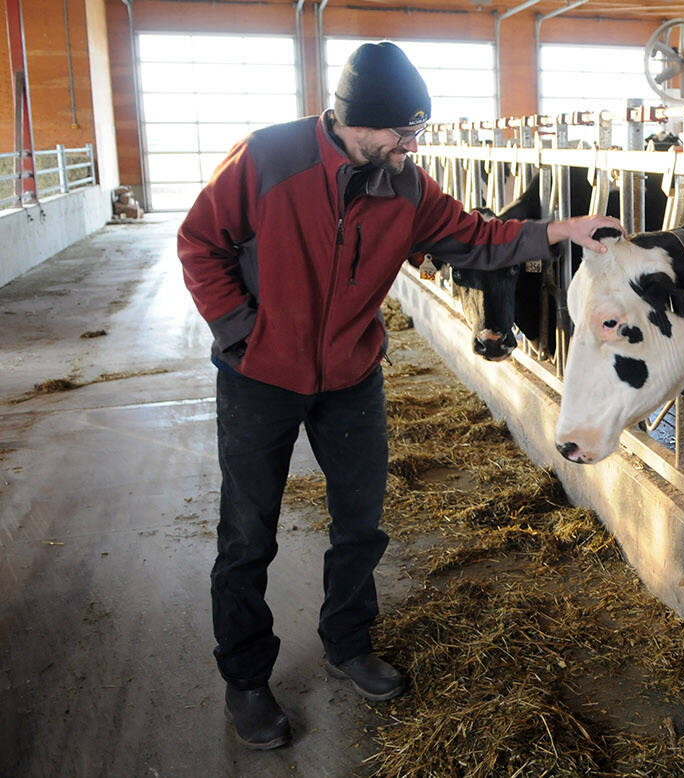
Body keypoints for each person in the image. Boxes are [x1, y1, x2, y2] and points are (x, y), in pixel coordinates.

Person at [177, 40, 618, 750]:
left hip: (351, 377)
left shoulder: (406, 185)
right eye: (401, 132)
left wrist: (558, 231)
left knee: (361, 525)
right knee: (247, 535)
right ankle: (247, 679)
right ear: (354, 121)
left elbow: (474, 238)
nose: (412, 145)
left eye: (417, 131)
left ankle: (348, 642)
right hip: (259, 379)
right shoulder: (268, 158)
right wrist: (242, 334)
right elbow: (201, 242)